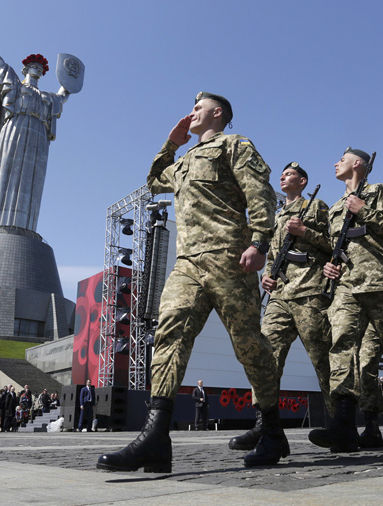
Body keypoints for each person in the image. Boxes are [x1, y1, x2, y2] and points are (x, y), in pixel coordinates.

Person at [99, 91, 285, 473]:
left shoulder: (234, 145)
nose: (191, 112)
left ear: (217, 113)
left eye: (198, 108)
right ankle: (156, 437)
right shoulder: (183, 163)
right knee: (168, 334)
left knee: (248, 344)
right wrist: (171, 143)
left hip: (230, 259)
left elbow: (259, 192)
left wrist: (260, 241)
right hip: (188, 264)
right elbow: (153, 181)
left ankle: (271, 428)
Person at [309, 148, 383, 453]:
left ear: (359, 164)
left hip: (381, 283)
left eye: (343, 158)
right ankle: (344, 425)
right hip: (346, 287)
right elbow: (335, 246)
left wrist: (364, 209)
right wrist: (330, 265)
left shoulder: (379, 192)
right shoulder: (336, 208)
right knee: (342, 350)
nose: (336, 162)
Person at [230, 161, 334, 452]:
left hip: (310, 293)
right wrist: (267, 276)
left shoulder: (316, 208)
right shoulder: (275, 219)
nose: (283, 177)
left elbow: (335, 245)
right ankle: (265, 424)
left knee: (321, 357)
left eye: (290, 174)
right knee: (266, 356)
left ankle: (339, 423)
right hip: (279, 298)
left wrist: (305, 233)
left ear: (303, 181)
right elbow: (273, 254)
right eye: (283, 174)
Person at [0, 11, 72, 231]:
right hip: (15, 128)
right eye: (34, 65)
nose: (38, 68)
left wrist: (69, 78)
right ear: (25, 69)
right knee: (7, 174)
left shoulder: (47, 98)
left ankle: (26, 228)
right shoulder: (15, 83)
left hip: (39, 135)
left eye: (41, 67)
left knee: (33, 183)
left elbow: (64, 95)